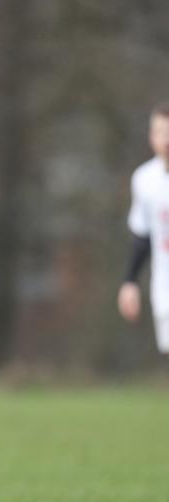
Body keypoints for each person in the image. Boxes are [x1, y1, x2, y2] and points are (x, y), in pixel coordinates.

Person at [118, 102, 169, 355]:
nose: (167, 139)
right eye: (161, 132)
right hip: (165, 286)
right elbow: (142, 235)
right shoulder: (144, 179)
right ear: (152, 136)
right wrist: (130, 281)